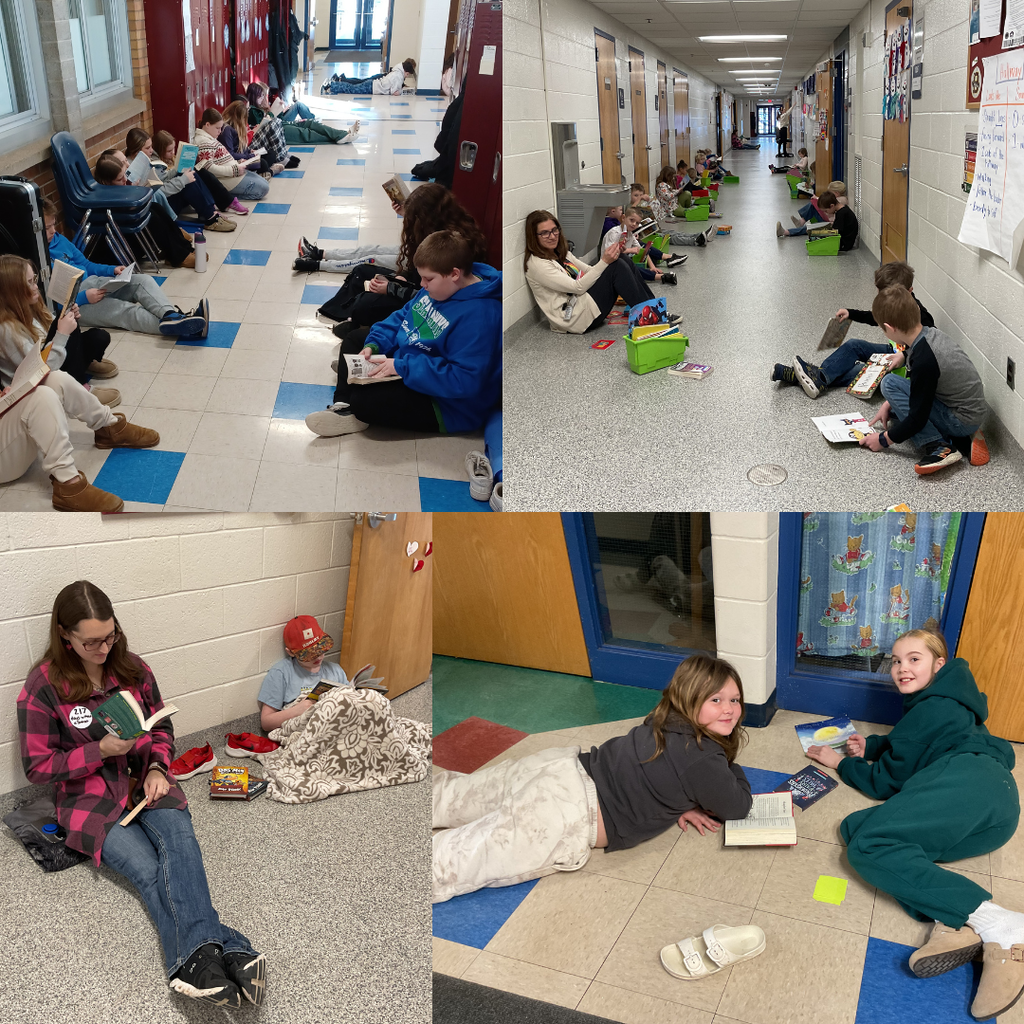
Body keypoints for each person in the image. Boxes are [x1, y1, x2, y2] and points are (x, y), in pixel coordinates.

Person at [17, 581, 266, 1007]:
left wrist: (155, 767)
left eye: (110, 635)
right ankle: (227, 946)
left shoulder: (132, 668)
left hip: (144, 781)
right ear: (65, 635)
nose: (104, 647)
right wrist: (98, 750)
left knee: (182, 846)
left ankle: (192, 962)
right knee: (150, 872)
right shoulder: (44, 686)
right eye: (91, 641)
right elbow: (39, 767)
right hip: (87, 800)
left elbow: (162, 728)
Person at [804, 629, 1020, 1020]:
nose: (902, 668)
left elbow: (888, 781)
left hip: (968, 782)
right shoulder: (951, 701)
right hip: (994, 812)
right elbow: (920, 744)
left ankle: (1000, 924)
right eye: (897, 661)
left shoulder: (932, 706)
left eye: (914, 659)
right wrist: (871, 747)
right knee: (859, 829)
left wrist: (843, 764)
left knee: (870, 846)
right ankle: (954, 919)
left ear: (939, 664)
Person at [432, 654, 752, 903]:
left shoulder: (663, 716)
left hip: (559, 766)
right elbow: (736, 808)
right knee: (452, 862)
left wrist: (686, 796)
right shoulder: (703, 759)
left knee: (449, 795)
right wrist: (726, 763)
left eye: (734, 700)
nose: (729, 710)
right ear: (689, 699)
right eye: (716, 700)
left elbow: (666, 771)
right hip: (565, 812)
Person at [305, 229, 501, 438]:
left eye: (427, 279)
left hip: (446, 404)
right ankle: (343, 404)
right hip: (412, 363)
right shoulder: (442, 286)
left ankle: (352, 390)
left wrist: (401, 367)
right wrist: (374, 345)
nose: (422, 286)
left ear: (454, 274)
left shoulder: (481, 316)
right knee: (355, 339)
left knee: (365, 402)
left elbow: (464, 380)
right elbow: (402, 316)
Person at [803, 286, 990, 474]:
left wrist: (883, 440)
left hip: (963, 418)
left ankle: (940, 446)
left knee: (897, 403)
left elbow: (918, 417)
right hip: (964, 407)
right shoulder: (928, 335)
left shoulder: (924, 360)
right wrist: (890, 405)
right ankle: (963, 438)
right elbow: (923, 389)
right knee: (893, 400)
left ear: (890, 329)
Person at [313, 183, 487, 330]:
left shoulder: (449, 246)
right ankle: (339, 313)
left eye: (412, 218)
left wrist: (391, 288)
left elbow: (428, 295)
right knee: (362, 271)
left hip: (426, 299)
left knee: (366, 303)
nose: (409, 223)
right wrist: (400, 276)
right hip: (415, 286)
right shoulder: (436, 232)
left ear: (424, 219)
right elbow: (415, 266)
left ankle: (354, 319)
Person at [44, 199, 208, 339]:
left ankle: (170, 316)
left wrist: (112, 270)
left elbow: (86, 265)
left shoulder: (60, 240)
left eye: (53, 225)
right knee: (125, 312)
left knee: (142, 281)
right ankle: (189, 329)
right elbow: (48, 303)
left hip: (94, 283)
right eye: (47, 228)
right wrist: (83, 297)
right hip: (75, 306)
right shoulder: (35, 259)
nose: (53, 231)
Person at [772, 260, 934, 393]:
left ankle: (803, 376)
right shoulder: (892, 304)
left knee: (861, 371)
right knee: (853, 345)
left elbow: (929, 346)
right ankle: (818, 377)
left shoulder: (921, 315)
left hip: (904, 367)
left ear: (910, 290)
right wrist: (851, 313)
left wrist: (905, 356)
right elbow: (875, 317)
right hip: (892, 351)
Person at [523, 209, 677, 334]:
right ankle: (652, 319)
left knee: (621, 260)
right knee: (615, 266)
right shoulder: (537, 265)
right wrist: (605, 261)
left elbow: (590, 270)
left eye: (554, 230)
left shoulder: (559, 252)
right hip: (574, 319)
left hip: (583, 302)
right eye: (545, 233)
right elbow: (577, 287)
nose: (552, 236)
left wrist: (610, 260)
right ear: (533, 237)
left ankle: (654, 312)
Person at [92, 151, 196, 268]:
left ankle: (185, 248)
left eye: (125, 175)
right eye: (120, 179)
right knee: (152, 218)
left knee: (156, 207)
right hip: (117, 247)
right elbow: (121, 217)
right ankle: (179, 256)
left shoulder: (113, 188)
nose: (125, 180)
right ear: (107, 182)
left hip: (126, 230)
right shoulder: (103, 197)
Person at [121, 130, 236, 233]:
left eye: (151, 146)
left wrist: (178, 170)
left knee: (191, 171)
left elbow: (162, 178)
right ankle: (210, 218)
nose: (151, 150)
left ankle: (209, 212)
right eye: (147, 148)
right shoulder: (134, 169)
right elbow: (159, 191)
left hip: (163, 199)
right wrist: (183, 180)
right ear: (136, 150)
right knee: (187, 182)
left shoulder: (146, 159)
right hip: (158, 207)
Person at [257, 616, 352, 732]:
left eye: (320, 649)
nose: (318, 656)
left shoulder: (335, 671)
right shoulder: (281, 673)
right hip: (305, 733)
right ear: (291, 652)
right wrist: (297, 710)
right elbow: (266, 722)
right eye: (309, 654)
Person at [150, 130, 248, 217]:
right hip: (167, 203)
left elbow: (167, 176)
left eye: (173, 149)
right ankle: (210, 212)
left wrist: (182, 167)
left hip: (175, 192)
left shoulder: (165, 159)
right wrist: (183, 179)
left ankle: (223, 203)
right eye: (169, 151)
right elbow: (161, 190)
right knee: (189, 177)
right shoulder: (153, 165)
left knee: (197, 168)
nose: (172, 153)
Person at [247, 82, 357, 146]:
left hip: (281, 124)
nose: (263, 99)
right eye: (260, 97)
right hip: (276, 132)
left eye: (263, 96)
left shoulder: (263, 106)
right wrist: (271, 113)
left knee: (309, 123)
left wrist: (278, 109)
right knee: (305, 133)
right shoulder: (252, 111)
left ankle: (341, 133)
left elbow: (278, 118)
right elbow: (263, 126)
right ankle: (337, 138)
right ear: (253, 97)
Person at [193, 109, 271, 200]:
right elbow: (208, 168)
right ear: (207, 125)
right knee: (263, 189)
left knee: (265, 183)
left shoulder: (210, 138)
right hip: (228, 178)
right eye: (217, 128)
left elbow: (221, 159)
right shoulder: (203, 142)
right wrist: (233, 170)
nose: (219, 131)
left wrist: (238, 162)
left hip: (234, 172)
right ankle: (224, 197)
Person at [601, 206, 677, 285]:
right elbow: (609, 253)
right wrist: (630, 250)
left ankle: (660, 275)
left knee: (631, 266)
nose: (634, 224)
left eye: (637, 223)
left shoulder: (630, 234)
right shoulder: (614, 233)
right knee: (631, 268)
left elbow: (642, 249)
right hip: (608, 266)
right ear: (623, 217)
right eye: (631, 220)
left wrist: (652, 266)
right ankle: (661, 277)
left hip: (620, 263)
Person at [321, 58, 416, 95]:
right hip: (372, 87)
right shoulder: (398, 76)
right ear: (406, 71)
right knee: (351, 89)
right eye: (407, 74)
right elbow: (394, 92)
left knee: (353, 86)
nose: (406, 76)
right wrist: (402, 91)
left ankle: (334, 83)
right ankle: (331, 85)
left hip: (373, 84)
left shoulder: (396, 70)